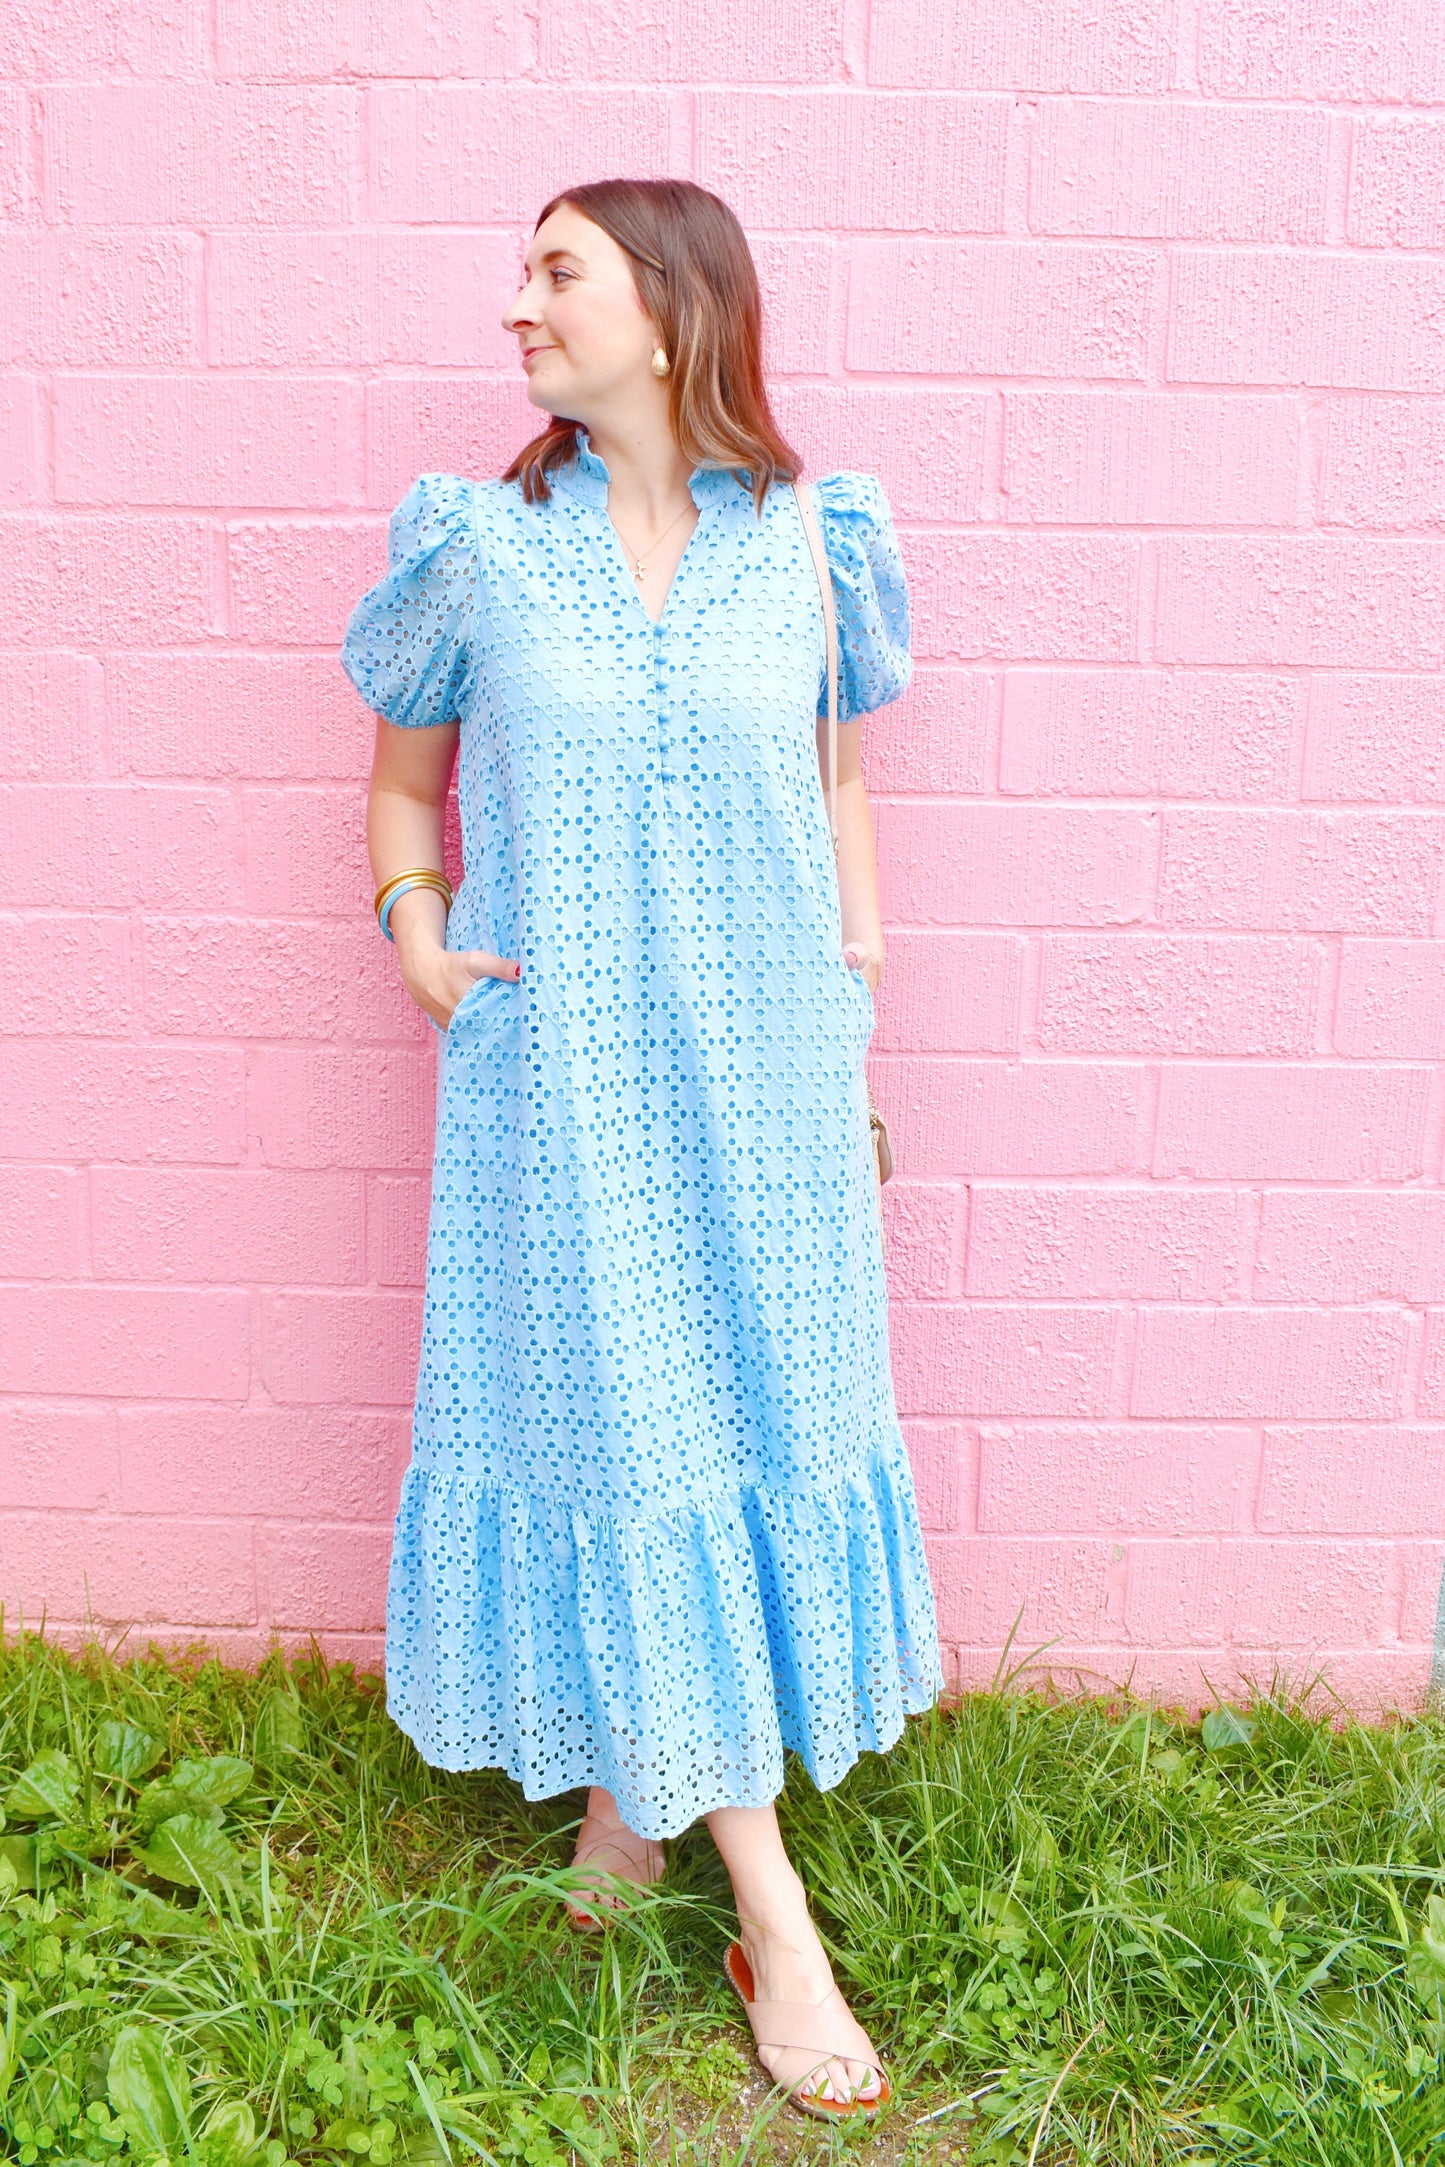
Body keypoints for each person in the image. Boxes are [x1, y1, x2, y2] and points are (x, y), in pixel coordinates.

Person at [341, 177, 942, 2121]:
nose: (516, 304)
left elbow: (840, 773)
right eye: (522, 267)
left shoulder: (813, 544)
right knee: (628, 1422)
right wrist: (418, 932)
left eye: (556, 272)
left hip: (768, 1080)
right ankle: (775, 1908)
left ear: (671, 311)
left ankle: (636, 1799)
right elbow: (402, 766)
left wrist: (853, 987)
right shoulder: (485, 547)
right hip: (567, 1080)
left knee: (735, 1423)